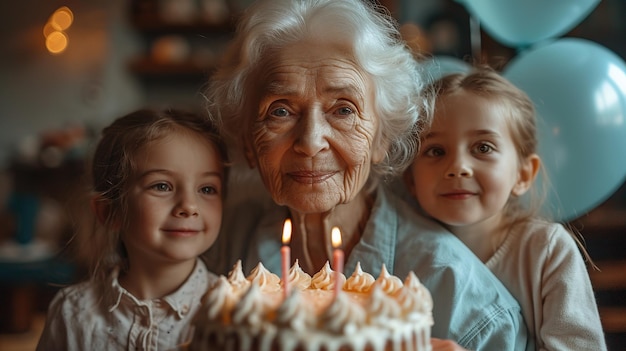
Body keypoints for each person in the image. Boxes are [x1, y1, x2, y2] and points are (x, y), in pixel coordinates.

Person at [201, 0, 530, 349]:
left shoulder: (462, 301)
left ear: (382, 137)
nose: (311, 142)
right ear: (248, 142)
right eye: (280, 110)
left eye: (343, 109)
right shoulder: (217, 250)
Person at [405, 67, 607, 350]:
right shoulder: (403, 251)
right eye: (436, 151)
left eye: (483, 148)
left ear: (523, 174)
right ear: (410, 178)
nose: (458, 167)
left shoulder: (546, 251)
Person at [36, 108, 229, 350]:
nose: (189, 206)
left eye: (207, 189)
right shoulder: (71, 313)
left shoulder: (235, 312)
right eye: (162, 186)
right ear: (110, 211)